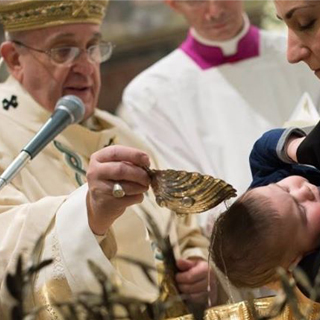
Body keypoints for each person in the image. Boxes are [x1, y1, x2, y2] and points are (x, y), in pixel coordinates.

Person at [0, 0, 214, 318]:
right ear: (15, 59)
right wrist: (89, 214)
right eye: (63, 51)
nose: (86, 66)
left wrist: (197, 265)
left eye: (93, 47)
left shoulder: (121, 132)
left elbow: (183, 228)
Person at [119, 0, 320, 234]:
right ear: (173, 4)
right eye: (197, 1)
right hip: (238, 246)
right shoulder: (149, 94)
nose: (215, 12)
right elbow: (183, 201)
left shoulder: (304, 53)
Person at [210, 0, 320, 292]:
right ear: (295, 261)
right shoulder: (314, 275)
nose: (301, 190)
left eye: (307, 22)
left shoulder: (272, 185)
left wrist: (299, 149)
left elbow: (262, 151)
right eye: (300, 210)